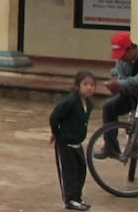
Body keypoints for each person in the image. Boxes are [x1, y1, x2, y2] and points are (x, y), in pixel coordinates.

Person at [93, 31, 138, 159]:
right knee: (109, 107)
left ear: (131, 49)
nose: (121, 58)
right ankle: (111, 147)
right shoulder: (121, 61)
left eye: (123, 54)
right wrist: (116, 86)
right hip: (132, 95)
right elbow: (120, 77)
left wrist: (121, 83)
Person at [50, 69, 96, 212]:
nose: (89, 87)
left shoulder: (89, 103)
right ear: (78, 85)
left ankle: (77, 197)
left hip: (78, 144)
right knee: (68, 174)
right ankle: (70, 199)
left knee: (80, 171)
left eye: (92, 85)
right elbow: (54, 117)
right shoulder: (69, 101)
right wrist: (56, 133)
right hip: (65, 144)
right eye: (85, 84)